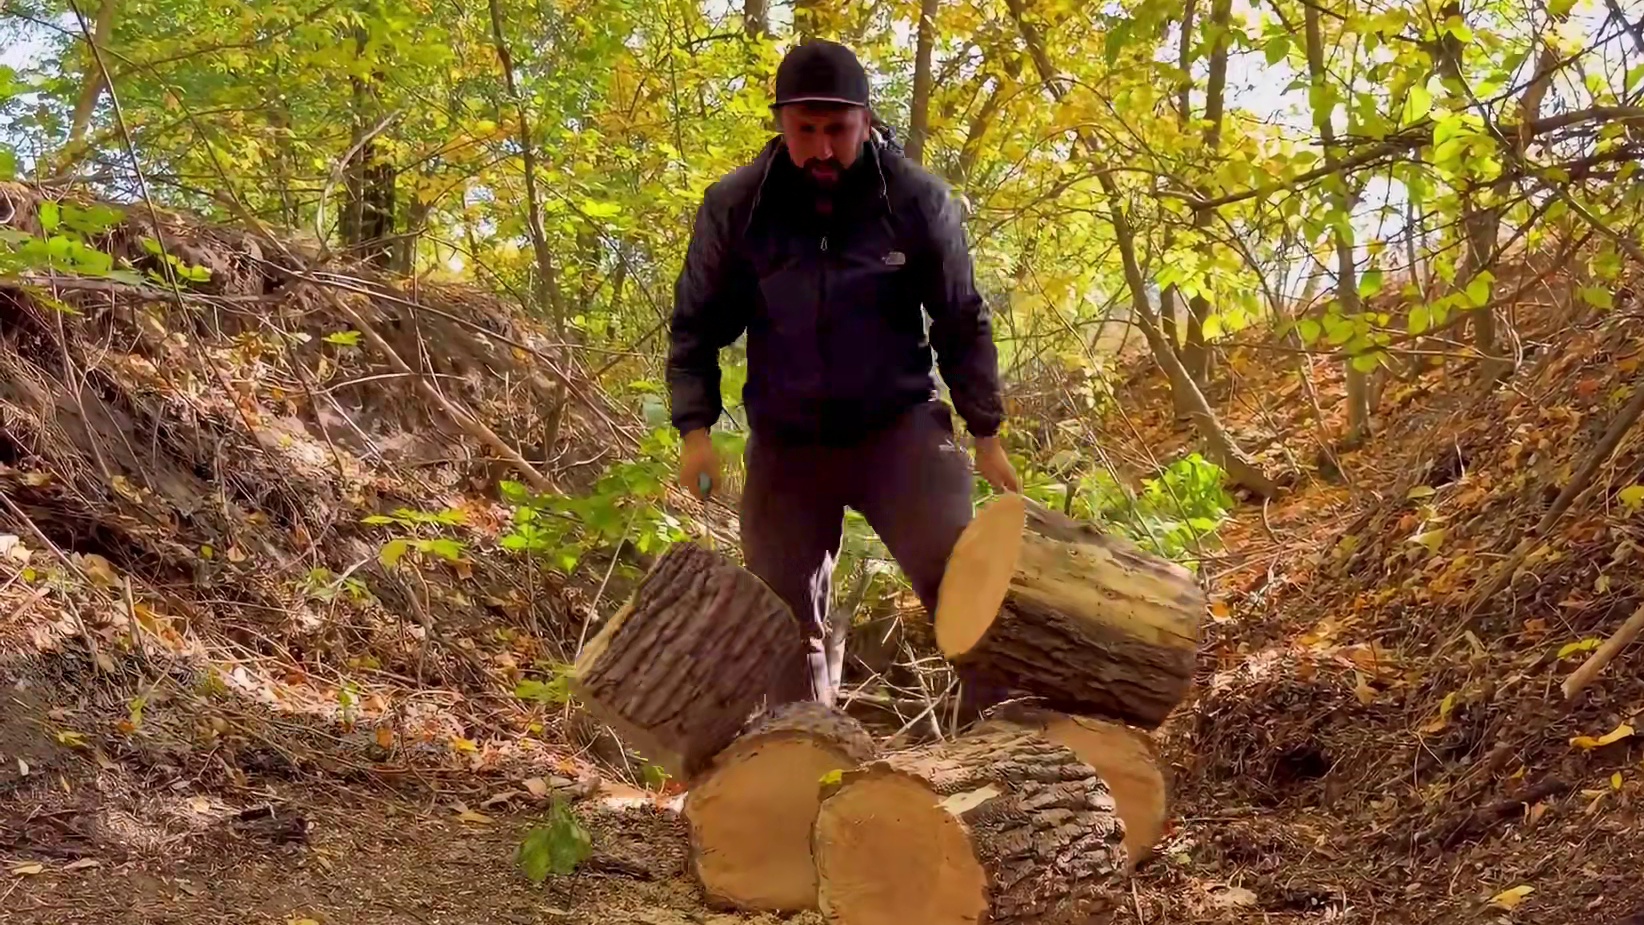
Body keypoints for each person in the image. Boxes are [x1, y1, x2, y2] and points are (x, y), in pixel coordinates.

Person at [666, 39, 1019, 707]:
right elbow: (697, 324)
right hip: (789, 441)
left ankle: (1008, 747)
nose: (823, 149)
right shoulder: (737, 206)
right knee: (779, 622)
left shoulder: (916, 200)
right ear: (780, 123)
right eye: (806, 130)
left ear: (866, 121)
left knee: (966, 582)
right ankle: (806, 767)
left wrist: (985, 429)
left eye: (838, 130)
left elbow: (959, 316)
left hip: (899, 427)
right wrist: (695, 429)